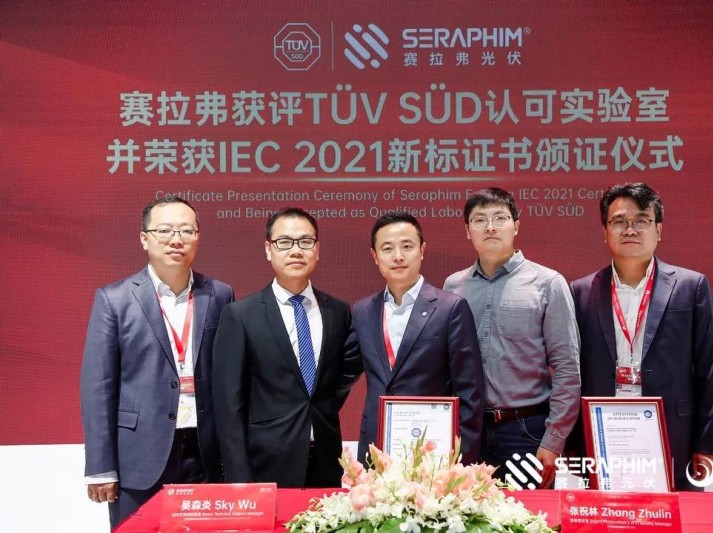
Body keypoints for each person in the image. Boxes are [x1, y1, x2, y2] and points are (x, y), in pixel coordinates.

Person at [80, 196, 234, 528]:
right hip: (140, 455)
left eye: (186, 230)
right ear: (144, 238)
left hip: (205, 451)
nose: (176, 239)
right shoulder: (115, 299)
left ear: (198, 237)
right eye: (164, 231)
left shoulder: (220, 294)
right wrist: (101, 467)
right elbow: (98, 387)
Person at [569, 182, 713, 490]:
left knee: (675, 512)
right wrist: (574, 443)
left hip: (674, 433)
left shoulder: (690, 286)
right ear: (604, 231)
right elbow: (573, 372)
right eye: (619, 222)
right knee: (607, 513)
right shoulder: (581, 291)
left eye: (641, 220)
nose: (630, 229)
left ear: (659, 229)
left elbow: (711, 369)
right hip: (605, 432)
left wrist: (709, 444)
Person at [212, 207, 361, 487]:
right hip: (265, 465)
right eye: (284, 242)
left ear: (317, 250)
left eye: (305, 242)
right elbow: (228, 405)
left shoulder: (338, 311)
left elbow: (335, 381)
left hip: (325, 462)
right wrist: (238, 478)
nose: (296, 251)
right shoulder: (241, 315)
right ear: (268, 250)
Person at [443, 187, 581, 488]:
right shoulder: (453, 286)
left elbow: (567, 368)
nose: (490, 227)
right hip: (468, 431)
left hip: (526, 432)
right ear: (467, 230)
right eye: (479, 220)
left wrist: (553, 440)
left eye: (500, 218)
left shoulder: (548, 283)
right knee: (466, 513)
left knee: (529, 514)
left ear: (516, 225)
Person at [353, 212, 484, 465]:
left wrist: (460, 460)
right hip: (376, 447)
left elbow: (470, 392)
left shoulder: (450, 308)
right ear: (375, 256)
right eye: (387, 248)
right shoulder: (362, 310)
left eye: (407, 246)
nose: (398, 256)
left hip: (433, 450)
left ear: (422, 250)